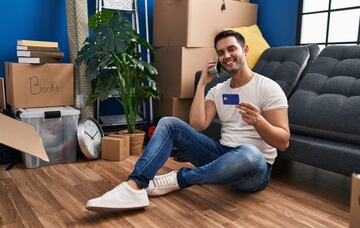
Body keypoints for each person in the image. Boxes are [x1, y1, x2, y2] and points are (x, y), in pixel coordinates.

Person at [86, 30, 290, 212]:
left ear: (245, 49)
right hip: (220, 155)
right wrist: (202, 84)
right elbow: (197, 125)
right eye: (220, 52)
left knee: (250, 152)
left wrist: (258, 121)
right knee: (168, 122)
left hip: (254, 169)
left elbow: (283, 142)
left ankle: (180, 179)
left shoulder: (268, 87)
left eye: (231, 49)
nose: (226, 56)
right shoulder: (218, 90)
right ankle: (135, 186)